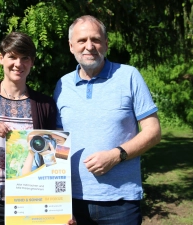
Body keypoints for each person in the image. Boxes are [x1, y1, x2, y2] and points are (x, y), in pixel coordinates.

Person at [0, 32, 75, 225]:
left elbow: (54, 159)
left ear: (32, 62)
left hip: (30, 204)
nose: (18, 64)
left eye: (25, 58)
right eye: (12, 56)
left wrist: (60, 206)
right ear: (1, 58)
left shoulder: (45, 105)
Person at [53, 15, 161, 225]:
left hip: (120, 203)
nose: (89, 46)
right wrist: (58, 201)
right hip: (73, 202)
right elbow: (58, 142)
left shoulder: (129, 76)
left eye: (96, 40)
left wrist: (116, 155)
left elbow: (153, 131)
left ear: (106, 44)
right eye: (82, 40)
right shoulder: (62, 85)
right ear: (71, 46)